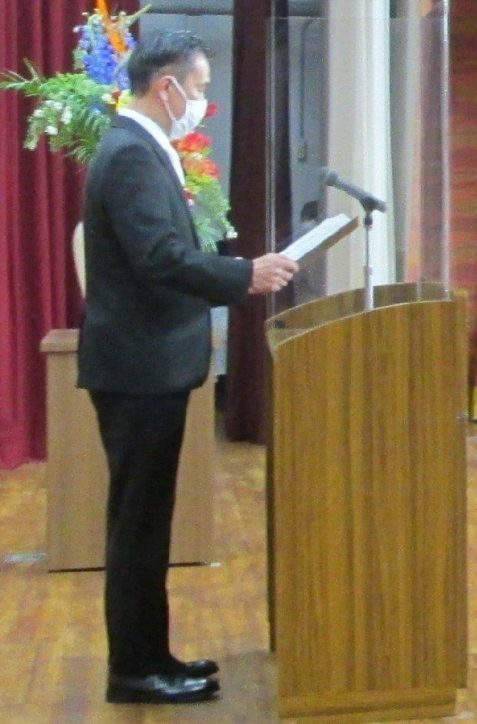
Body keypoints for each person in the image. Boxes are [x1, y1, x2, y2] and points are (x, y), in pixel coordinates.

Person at [78, 30, 299, 704]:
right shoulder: (130, 154)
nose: (203, 102)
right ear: (166, 86)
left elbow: (169, 247)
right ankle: (135, 670)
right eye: (200, 89)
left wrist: (234, 265)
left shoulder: (143, 147)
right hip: (138, 368)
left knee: (148, 521)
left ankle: (153, 655)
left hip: (148, 365)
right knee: (139, 524)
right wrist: (243, 275)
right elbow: (158, 259)